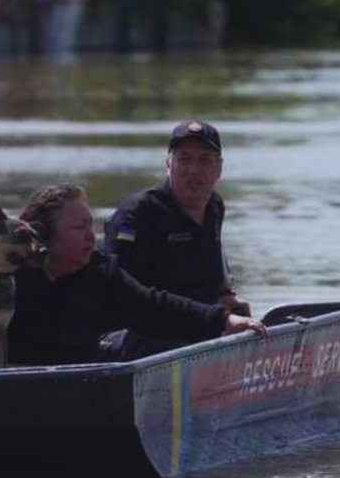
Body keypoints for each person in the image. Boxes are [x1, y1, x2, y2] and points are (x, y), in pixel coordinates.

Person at [6, 184, 266, 366]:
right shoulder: (6, 275)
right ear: (43, 236)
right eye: (79, 227)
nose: (91, 236)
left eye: (91, 225)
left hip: (77, 386)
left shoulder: (101, 272)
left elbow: (155, 307)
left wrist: (224, 321)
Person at [102, 120, 250, 358]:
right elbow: (126, 301)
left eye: (204, 160)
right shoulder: (137, 215)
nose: (194, 170)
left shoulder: (214, 206)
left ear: (219, 169)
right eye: (184, 159)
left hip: (200, 324)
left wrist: (225, 296)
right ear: (168, 164)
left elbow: (211, 265)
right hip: (138, 335)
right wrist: (215, 320)